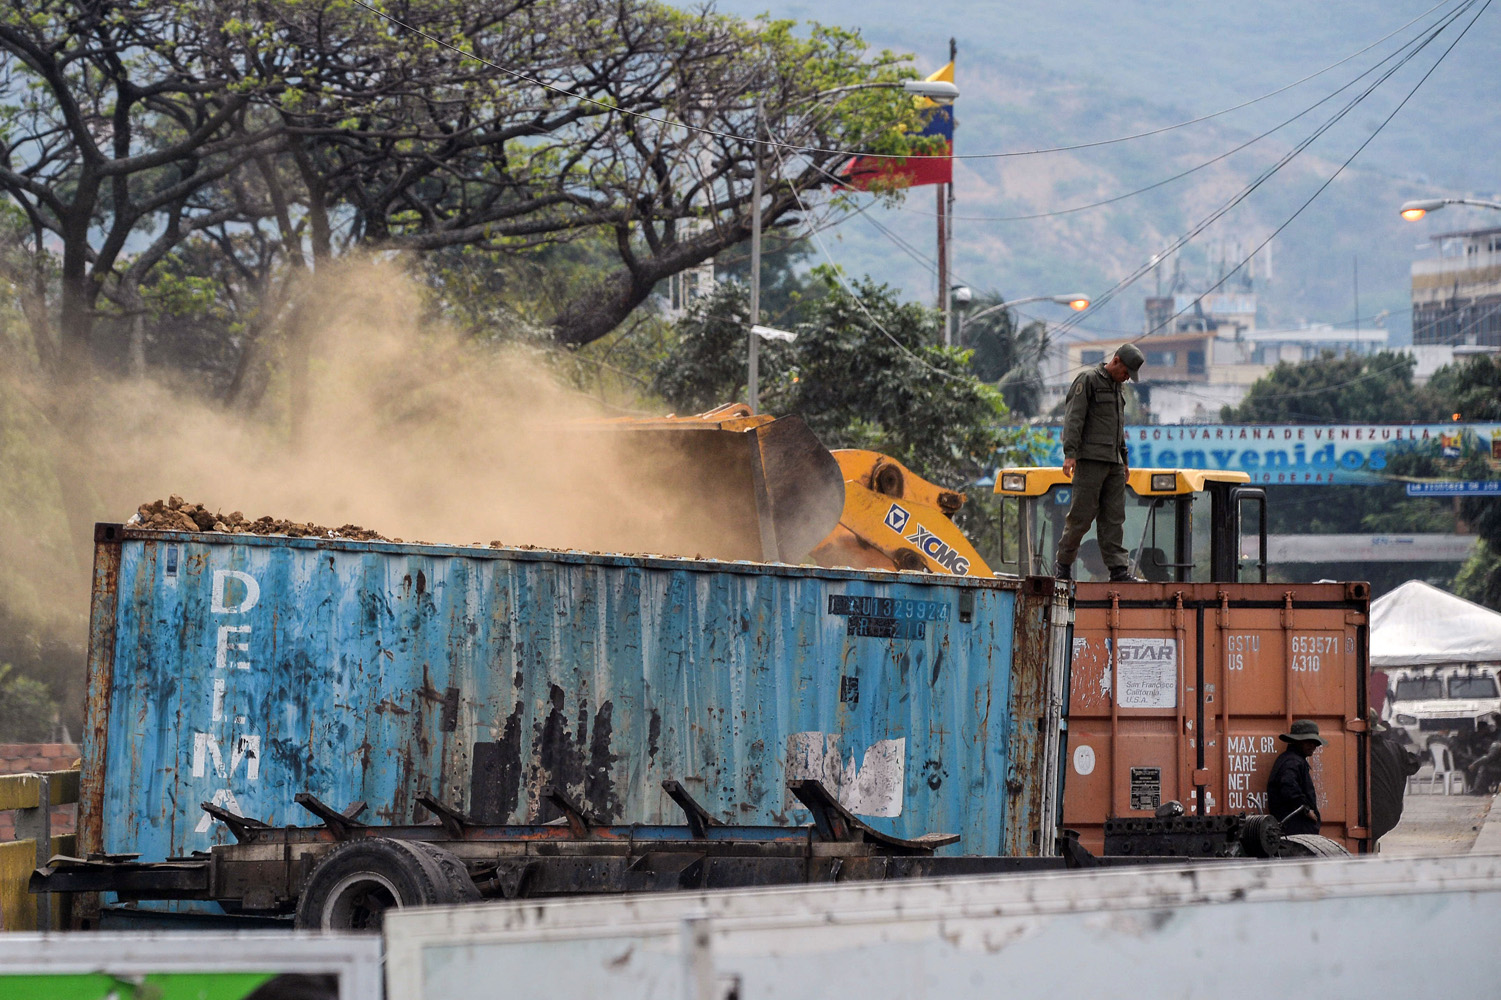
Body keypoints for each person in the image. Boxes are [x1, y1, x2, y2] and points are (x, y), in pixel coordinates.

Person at [1056, 343, 1145, 582]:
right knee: (1081, 517)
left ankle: (1118, 570)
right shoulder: (1088, 380)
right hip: (1091, 460)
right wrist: (1070, 453)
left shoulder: (1117, 389)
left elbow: (1118, 428)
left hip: (1114, 462)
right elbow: (1074, 417)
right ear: (1116, 361)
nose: (1126, 378)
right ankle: (1063, 564)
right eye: (1126, 373)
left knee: (1114, 518)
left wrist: (1124, 460)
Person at [1266, 719, 1325, 836]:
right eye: (1308, 741)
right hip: (1295, 831)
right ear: (1296, 741)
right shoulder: (1292, 762)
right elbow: (1288, 786)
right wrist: (1306, 810)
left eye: (1315, 742)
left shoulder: (1292, 760)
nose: (1313, 746)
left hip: (1294, 829)